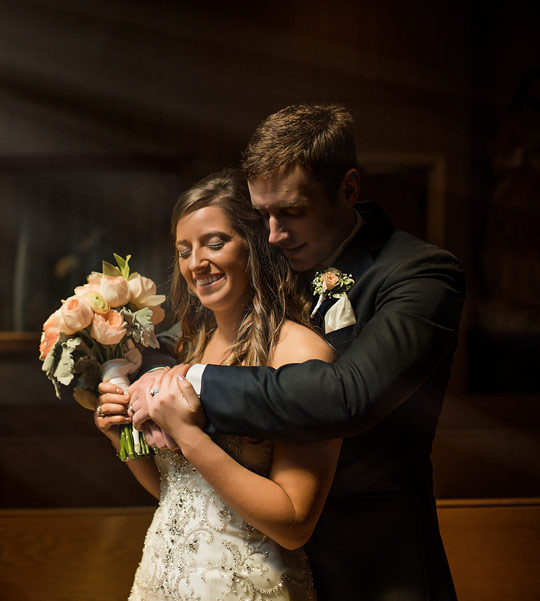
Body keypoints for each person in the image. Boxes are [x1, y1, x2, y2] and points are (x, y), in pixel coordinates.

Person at [129, 104, 466, 601]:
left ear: (349, 189)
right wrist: (136, 384)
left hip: (371, 561)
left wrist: (195, 382)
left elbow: (347, 396)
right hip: (263, 553)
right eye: (261, 214)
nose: (271, 233)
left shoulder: (419, 275)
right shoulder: (274, 258)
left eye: (290, 211)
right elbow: (188, 343)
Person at [95, 169, 340, 600]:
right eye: (184, 251)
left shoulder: (299, 353)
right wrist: (121, 439)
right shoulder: (190, 346)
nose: (196, 264)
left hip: (246, 585)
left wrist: (188, 434)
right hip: (162, 578)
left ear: (256, 245)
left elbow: (295, 523)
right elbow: (182, 492)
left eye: (215, 243)